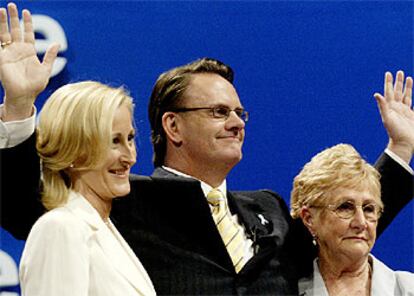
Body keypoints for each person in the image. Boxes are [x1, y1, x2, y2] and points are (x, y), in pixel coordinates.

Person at [1, 3, 413, 295]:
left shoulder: (267, 210)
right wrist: (19, 106)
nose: (236, 122)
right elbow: (28, 215)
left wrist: (400, 151)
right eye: (218, 112)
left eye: (239, 112)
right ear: (173, 125)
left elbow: (341, 230)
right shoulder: (125, 201)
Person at [0, 4, 156, 295]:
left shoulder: (105, 227)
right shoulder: (61, 228)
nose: (130, 156)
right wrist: (19, 106)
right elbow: (19, 203)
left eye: (130, 138)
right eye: (113, 141)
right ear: (73, 151)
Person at [290, 143, 414, 296]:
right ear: (309, 218)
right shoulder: (283, 290)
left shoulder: (407, 289)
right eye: (345, 207)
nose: (361, 223)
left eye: (369, 209)